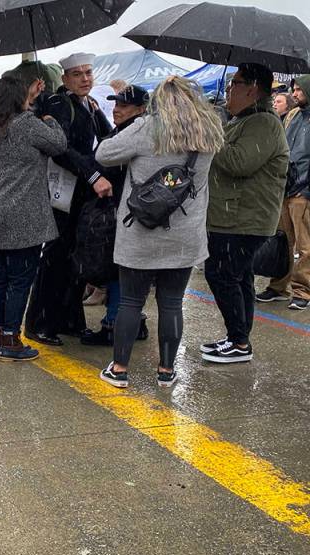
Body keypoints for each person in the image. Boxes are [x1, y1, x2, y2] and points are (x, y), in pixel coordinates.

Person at [95, 76, 223, 388]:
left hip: (140, 232)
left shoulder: (148, 127)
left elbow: (103, 154)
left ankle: (120, 369)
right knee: (171, 303)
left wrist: (138, 127)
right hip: (185, 235)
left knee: (130, 302)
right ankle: (166, 371)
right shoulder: (210, 131)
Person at [202, 63, 289, 365]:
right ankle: (238, 339)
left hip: (242, 218)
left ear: (252, 88)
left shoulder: (263, 122)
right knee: (238, 277)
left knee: (222, 274)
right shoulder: (245, 119)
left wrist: (212, 134)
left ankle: (239, 341)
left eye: (234, 83)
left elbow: (239, 162)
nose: (229, 89)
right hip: (233, 215)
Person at [0, 76, 67, 361]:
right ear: (18, 99)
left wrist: (32, 97)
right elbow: (59, 144)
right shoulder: (26, 125)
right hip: (21, 215)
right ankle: (12, 341)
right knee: (20, 279)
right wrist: (50, 119)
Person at [24, 52, 113, 346]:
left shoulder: (87, 104)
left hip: (81, 194)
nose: (85, 78)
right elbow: (60, 149)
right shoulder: (61, 105)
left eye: (88, 73)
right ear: (65, 79)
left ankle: (69, 319)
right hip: (64, 193)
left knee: (76, 258)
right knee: (55, 258)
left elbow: (107, 137)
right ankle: (39, 323)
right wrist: (92, 175)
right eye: (78, 74)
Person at [80, 84, 150, 347]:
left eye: (124, 105)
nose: (117, 109)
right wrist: (99, 116)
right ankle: (134, 322)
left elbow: (99, 156)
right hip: (131, 211)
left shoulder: (134, 133)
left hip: (123, 212)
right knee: (126, 271)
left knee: (119, 270)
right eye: (116, 104)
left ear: (141, 109)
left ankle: (113, 324)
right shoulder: (132, 130)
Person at [259, 75, 310, 310]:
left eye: (300, 90)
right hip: (285, 188)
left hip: (304, 192)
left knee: (305, 246)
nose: (295, 94)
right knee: (282, 242)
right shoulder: (293, 115)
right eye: (294, 89)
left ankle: (303, 291)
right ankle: (278, 286)